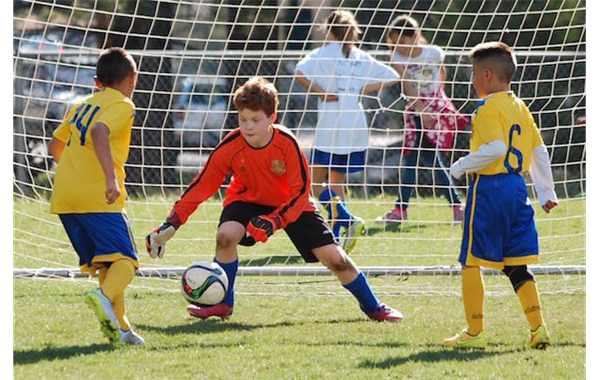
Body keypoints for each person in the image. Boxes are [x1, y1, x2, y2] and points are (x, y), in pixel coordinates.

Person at [146, 76, 403, 323]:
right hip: (247, 200)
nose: (247, 126)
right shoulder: (231, 145)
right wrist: (172, 223)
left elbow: (301, 193)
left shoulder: (287, 144)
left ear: (272, 118)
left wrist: (274, 220)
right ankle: (222, 302)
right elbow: (202, 185)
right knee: (225, 236)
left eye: (255, 120)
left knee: (336, 259)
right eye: (242, 118)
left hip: (291, 204)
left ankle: (374, 307)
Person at [442, 42, 558, 349]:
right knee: (516, 264)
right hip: (518, 190)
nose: (471, 79)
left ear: (487, 74)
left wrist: (461, 166)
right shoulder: (520, 106)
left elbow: (495, 149)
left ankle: (474, 333)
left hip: (490, 189)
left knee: (470, 260)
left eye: (473, 73)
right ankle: (538, 329)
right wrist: (546, 190)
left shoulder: (487, 108)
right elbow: (538, 151)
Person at [47, 47, 144, 345]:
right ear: (133, 78)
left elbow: (55, 146)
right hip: (99, 196)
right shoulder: (123, 104)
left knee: (108, 263)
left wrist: (75, 173)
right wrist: (110, 178)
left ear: (96, 81)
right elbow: (100, 132)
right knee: (127, 261)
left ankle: (122, 329)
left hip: (65, 198)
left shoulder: (81, 104)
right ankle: (101, 297)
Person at [294, 10, 400, 251]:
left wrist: (321, 92)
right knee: (336, 183)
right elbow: (393, 76)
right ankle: (338, 235)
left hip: (331, 124)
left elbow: (299, 72)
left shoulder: (323, 53)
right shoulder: (360, 56)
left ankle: (346, 218)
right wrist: (362, 89)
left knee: (315, 183)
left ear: (328, 30)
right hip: (355, 125)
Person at [376, 15, 469, 225]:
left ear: (415, 36)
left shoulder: (434, 53)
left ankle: (402, 211)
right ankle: (456, 208)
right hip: (417, 111)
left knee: (419, 161)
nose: (398, 46)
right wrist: (421, 109)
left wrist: (436, 104)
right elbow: (407, 85)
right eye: (394, 42)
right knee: (426, 160)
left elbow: (441, 73)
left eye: (401, 40)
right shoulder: (397, 58)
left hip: (435, 109)